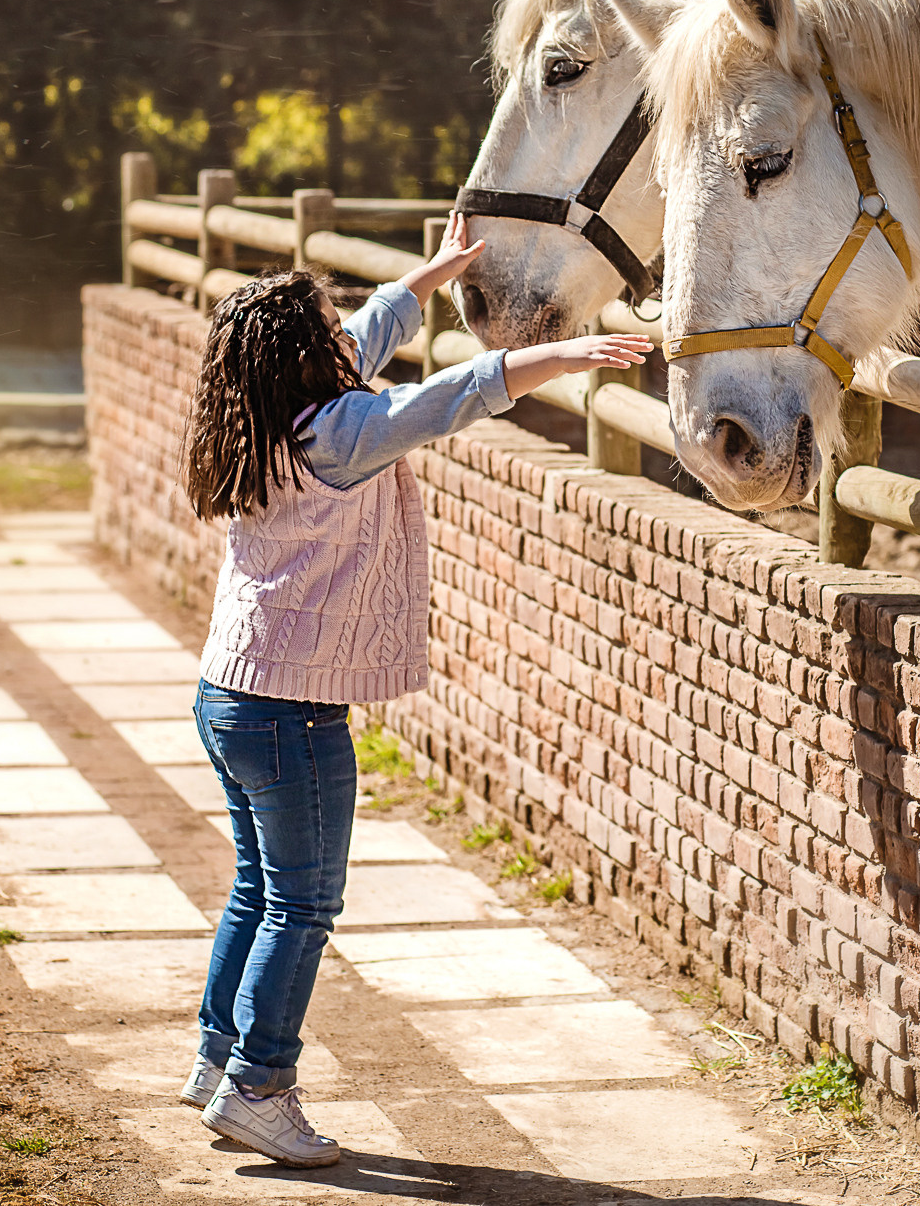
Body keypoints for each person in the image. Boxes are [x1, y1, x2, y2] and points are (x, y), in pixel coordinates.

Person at [175, 216, 649, 1167]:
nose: (343, 331)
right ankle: (260, 1088)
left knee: (258, 890)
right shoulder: (342, 432)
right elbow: (447, 399)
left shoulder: (260, 415)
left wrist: (427, 278)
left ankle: (219, 1059)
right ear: (308, 355)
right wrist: (556, 352)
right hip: (293, 713)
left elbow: (371, 334)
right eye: (327, 325)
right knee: (301, 907)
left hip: (230, 691)